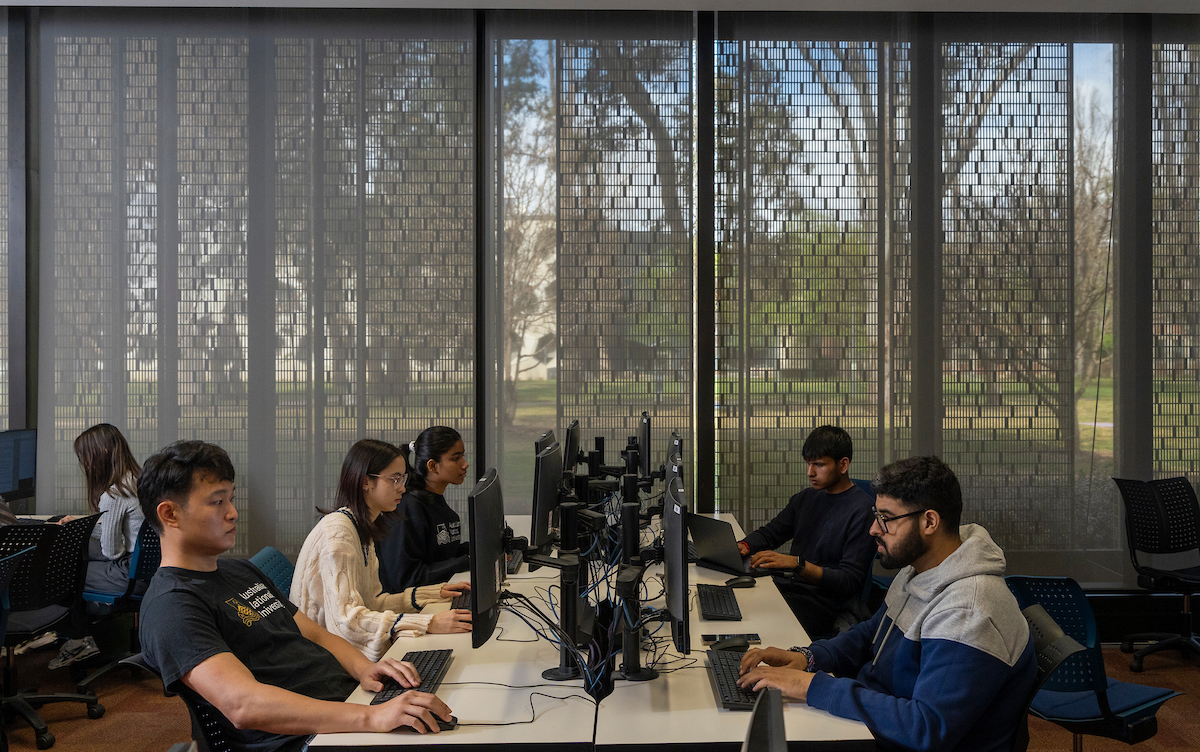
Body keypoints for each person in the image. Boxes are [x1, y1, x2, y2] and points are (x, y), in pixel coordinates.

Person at [138, 440, 454, 751]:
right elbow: (243, 705)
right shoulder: (172, 605)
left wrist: (363, 668)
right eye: (217, 502)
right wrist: (371, 717)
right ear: (169, 514)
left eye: (231, 499)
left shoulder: (240, 572)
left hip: (346, 707)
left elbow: (314, 632)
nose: (233, 513)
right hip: (309, 738)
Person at [738, 455, 1036, 752]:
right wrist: (808, 658)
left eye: (886, 518)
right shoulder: (920, 568)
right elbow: (872, 633)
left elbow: (926, 728)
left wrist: (811, 686)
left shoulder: (969, 611)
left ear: (929, 521)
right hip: (880, 722)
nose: (873, 529)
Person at [291, 438, 472, 661]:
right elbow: (348, 621)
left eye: (403, 478)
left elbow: (374, 603)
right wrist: (429, 623)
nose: (403, 488)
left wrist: (432, 593)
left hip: (341, 653)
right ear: (366, 482)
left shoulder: (361, 527)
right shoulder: (338, 534)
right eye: (394, 479)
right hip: (323, 659)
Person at [735, 425, 875, 636]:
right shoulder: (806, 498)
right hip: (793, 588)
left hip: (823, 604)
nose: (810, 472)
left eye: (819, 465)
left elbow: (848, 581)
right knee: (737, 597)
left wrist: (797, 564)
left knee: (751, 612)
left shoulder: (862, 511)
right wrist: (742, 546)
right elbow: (771, 533)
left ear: (843, 464)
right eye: (808, 464)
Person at [49, 423, 147, 670]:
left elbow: (112, 551)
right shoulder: (139, 480)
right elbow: (127, 529)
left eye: (85, 456)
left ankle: (78, 640)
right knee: (76, 556)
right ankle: (78, 635)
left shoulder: (114, 494)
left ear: (101, 452)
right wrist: (85, 524)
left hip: (130, 574)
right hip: (152, 569)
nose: (84, 463)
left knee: (62, 572)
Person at [377, 426, 471, 592]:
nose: (465, 464)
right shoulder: (408, 509)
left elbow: (443, 553)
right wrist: (466, 561)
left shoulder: (434, 502)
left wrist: (482, 549)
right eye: (456, 458)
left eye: (463, 456)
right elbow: (406, 579)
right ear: (433, 466)